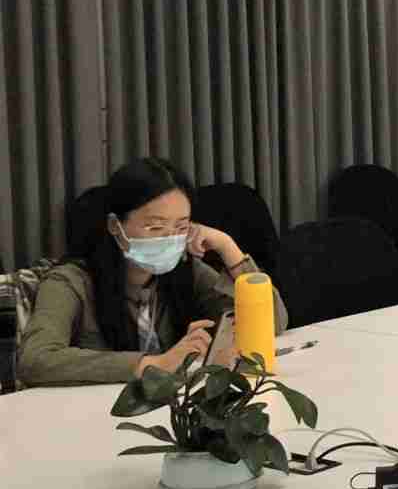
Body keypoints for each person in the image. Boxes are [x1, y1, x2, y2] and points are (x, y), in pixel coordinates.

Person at [17, 157, 289, 387]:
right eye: (155, 227)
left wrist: (228, 248)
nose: (169, 239)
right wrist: (152, 364)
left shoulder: (186, 269)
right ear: (115, 226)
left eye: (181, 227)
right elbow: (35, 360)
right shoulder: (71, 280)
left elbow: (272, 323)